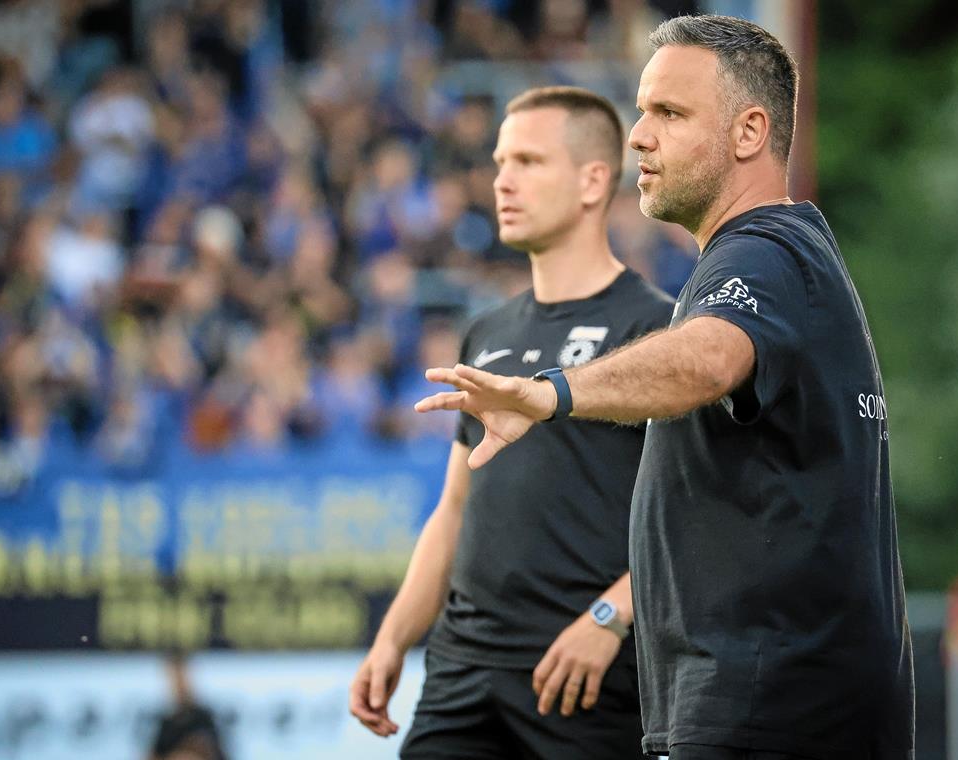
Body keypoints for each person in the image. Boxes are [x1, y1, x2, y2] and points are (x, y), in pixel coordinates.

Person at [416, 15, 915, 760]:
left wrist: (549, 392)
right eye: (643, 110)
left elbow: (709, 359)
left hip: (769, 703)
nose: (638, 136)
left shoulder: (765, 253)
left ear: (749, 133)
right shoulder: (775, 258)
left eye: (669, 114)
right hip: (768, 698)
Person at [348, 86, 675, 758]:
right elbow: (455, 506)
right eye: (500, 162)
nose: (502, 180)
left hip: (582, 675)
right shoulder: (486, 332)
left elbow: (696, 509)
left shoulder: (657, 330)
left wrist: (610, 619)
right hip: (462, 673)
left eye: (527, 161)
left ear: (591, 181)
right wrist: (392, 638)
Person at [148, 653, 227, 760]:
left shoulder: (205, 719)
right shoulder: (167, 723)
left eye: (182, 678)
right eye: (173, 679)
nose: (179, 685)